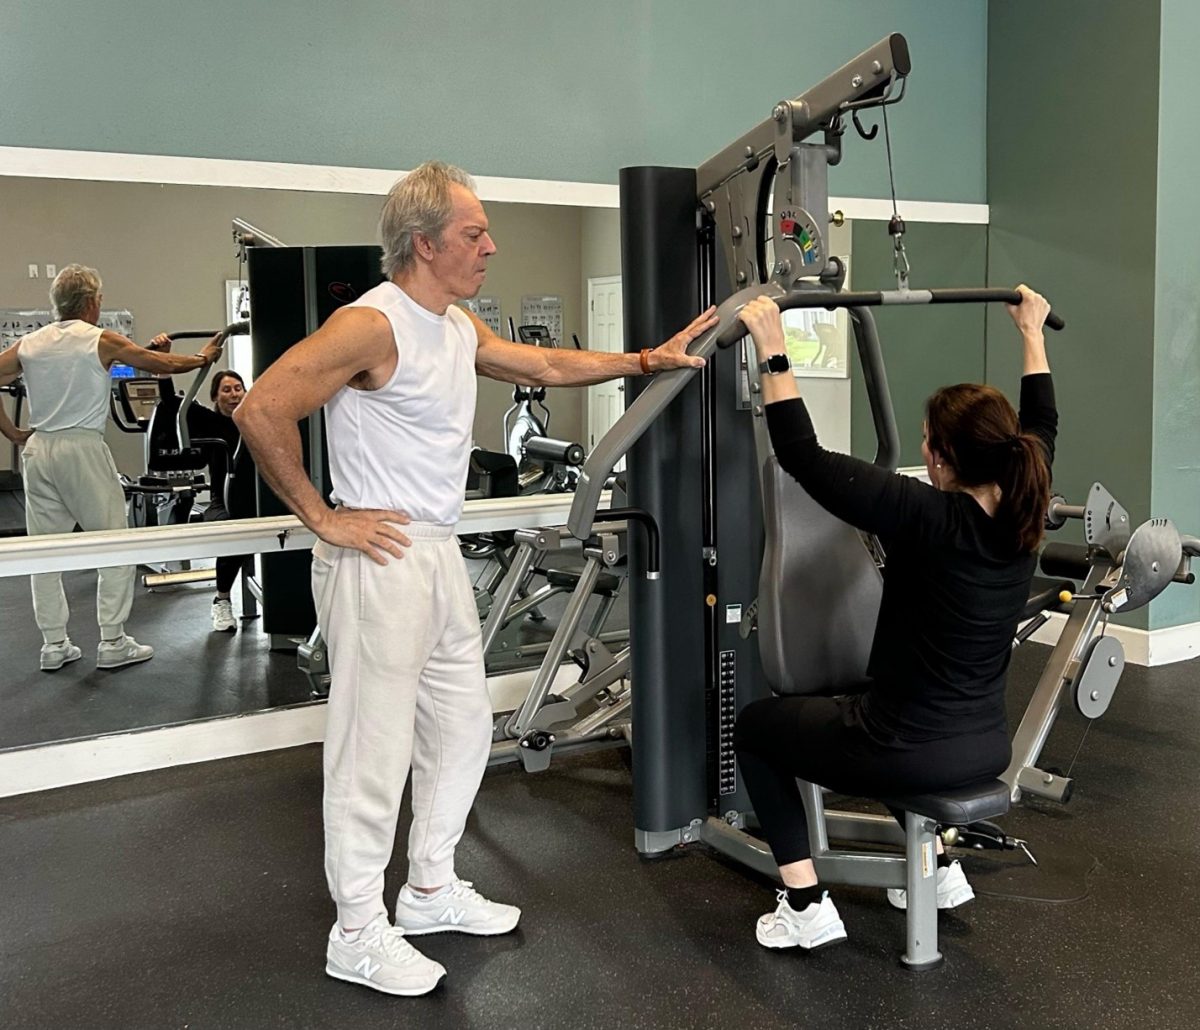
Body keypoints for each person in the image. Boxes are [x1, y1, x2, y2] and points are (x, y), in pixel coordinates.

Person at [234, 161, 717, 997]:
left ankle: (428, 890)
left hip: (436, 552)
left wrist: (645, 359)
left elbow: (542, 365)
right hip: (379, 555)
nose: (490, 246)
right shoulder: (370, 324)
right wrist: (324, 517)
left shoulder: (453, 325)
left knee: (461, 731)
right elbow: (261, 406)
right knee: (372, 752)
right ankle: (356, 930)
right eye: (473, 233)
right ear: (424, 244)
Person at [732, 285, 1056, 951]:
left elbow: (803, 459)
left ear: (941, 457)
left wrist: (772, 348)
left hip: (907, 750)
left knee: (758, 729)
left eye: (928, 441)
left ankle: (804, 904)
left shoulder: (926, 514)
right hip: (985, 744)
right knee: (877, 717)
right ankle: (936, 870)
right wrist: (1032, 332)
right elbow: (1042, 424)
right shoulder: (1023, 512)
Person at [0, 264, 223, 671]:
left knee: (43, 553)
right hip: (81, 448)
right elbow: (163, 366)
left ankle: (54, 645)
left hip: (39, 450)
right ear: (91, 301)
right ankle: (113, 641)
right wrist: (202, 357)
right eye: (99, 299)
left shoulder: (31, 343)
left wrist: (13, 433)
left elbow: (140, 360)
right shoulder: (100, 339)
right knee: (117, 544)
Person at [182, 367, 251, 633]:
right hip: (222, 502)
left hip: (254, 500)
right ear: (215, 396)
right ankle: (221, 600)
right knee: (236, 535)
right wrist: (164, 372)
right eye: (226, 390)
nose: (234, 394)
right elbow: (178, 405)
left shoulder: (255, 420)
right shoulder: (211, 423)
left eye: (238, 388)